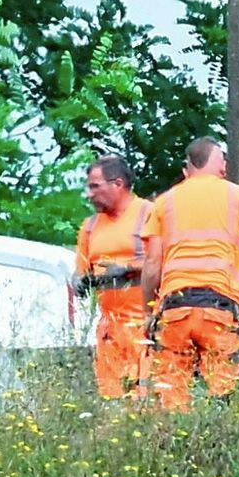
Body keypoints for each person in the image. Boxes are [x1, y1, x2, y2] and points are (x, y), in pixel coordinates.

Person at [139, 137, 239, 410]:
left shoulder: (164, 203)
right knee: (223, 399)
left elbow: (152, 264)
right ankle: (216, 446)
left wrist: (147, 311)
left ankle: (172, 447)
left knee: (170, 399)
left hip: (175, 310)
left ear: (187, 169)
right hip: (219, 310)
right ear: (222, 167)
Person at [73, 155, 152, 399]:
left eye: (95, 186)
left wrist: (127, 267)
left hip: (146, 328)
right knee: (112, 404)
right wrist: (80, 282)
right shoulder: (90, 226)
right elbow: (80, 270)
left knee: (146, 404)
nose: (89, 194)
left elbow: (166, 261)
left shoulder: (150, 214)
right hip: (109, 331)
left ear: (117, 184)